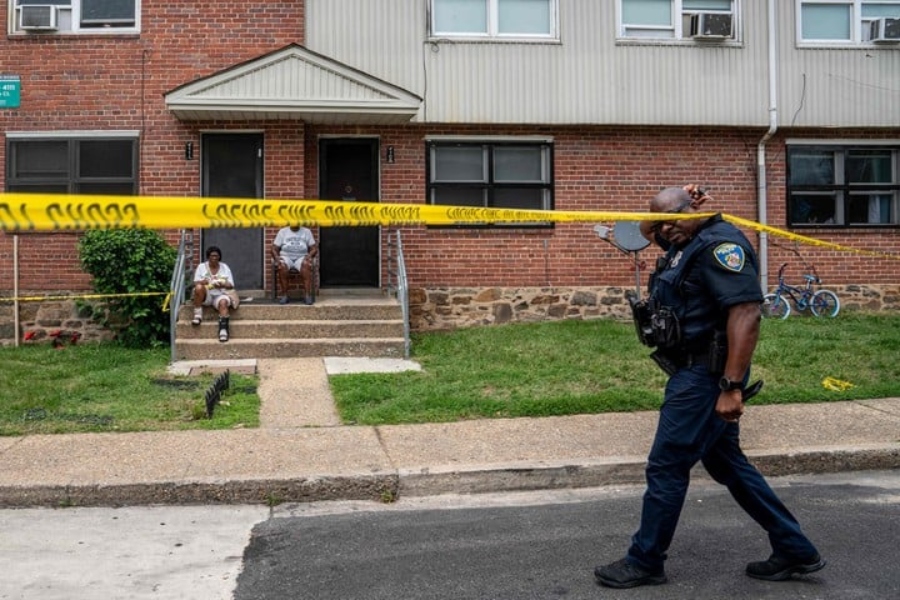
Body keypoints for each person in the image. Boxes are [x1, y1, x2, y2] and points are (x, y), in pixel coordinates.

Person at [594, 185, 825, 589]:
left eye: (673, 219)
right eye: (663, 220)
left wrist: (731, 387)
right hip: (691, 371)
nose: (666, 229)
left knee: (667, 464)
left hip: (705, 377)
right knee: (726, 463)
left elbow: (747, 313)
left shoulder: (721, 246)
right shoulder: (687, 234)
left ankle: (645, 560)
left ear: (696, 211)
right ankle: (795, 548)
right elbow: (647, 230)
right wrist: (673, 206)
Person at [192, 246, 236, 343]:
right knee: (198, 288)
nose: (214, 258)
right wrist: (204, 282)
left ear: (219, 257)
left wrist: (222, 284)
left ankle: (223, 330)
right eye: (212, 256)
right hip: (206, 295)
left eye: (217, 256)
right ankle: (198, 315)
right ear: (208, 257)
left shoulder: (225, 267)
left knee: (223, 302)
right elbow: (195, 283)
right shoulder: (201, 267)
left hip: (220, 294)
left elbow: (231, 285)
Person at [271, 224, 318, 305]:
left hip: (301, 257)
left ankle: (307, 296)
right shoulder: (283, 231)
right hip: (286, 256)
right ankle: (285, 296)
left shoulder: (306, 231)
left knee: (306, 266)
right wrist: (276, 257)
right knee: (281, 267)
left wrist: (309, 256)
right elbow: (273, 248)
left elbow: (314, 248)